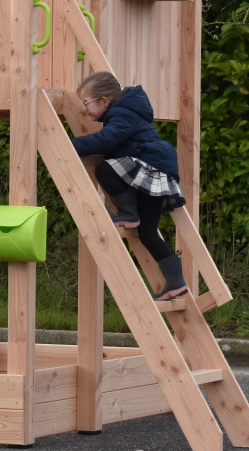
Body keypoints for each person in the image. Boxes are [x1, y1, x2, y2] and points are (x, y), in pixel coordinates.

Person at [72, 71, 189, 300]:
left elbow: (106, 140)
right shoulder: (125, 112)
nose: (84, 109)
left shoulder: (121, 113)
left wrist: (71, 145)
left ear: (104, 101)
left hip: (151, 164)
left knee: (104, 169)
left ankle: (127, 213)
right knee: (147, 231)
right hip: (156, 168)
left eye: (86, 103)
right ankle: (176, 282)